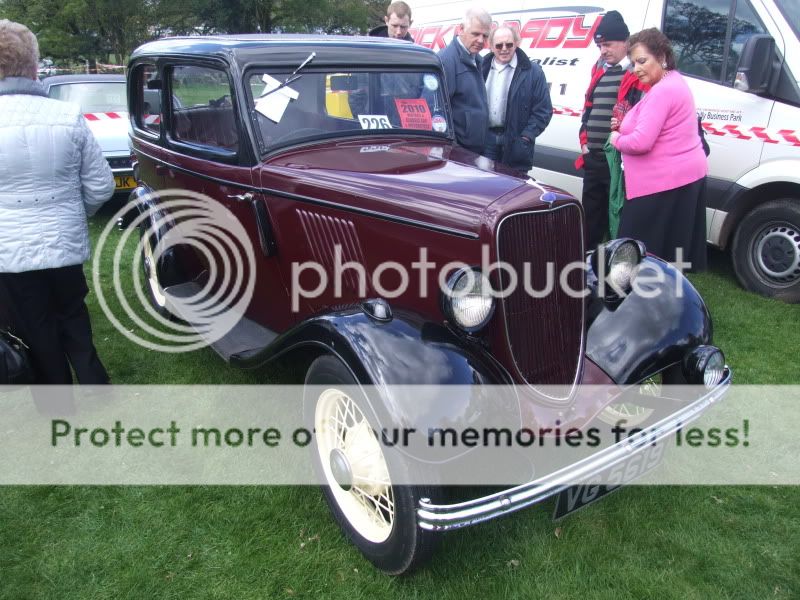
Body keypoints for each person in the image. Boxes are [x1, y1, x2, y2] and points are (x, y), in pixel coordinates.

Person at [0, 19, 115, 384]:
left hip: (10, 251)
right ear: (34, 65)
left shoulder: (66, 115)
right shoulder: (66, 115)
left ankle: (57, 402)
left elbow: (101, 185)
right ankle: (95, 386)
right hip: (62, 243)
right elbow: (101, 186)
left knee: (35, 326)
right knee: (72, 313)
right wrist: (71, 214)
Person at [610, 28, 707, 271]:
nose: (637, 69)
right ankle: (664, 298)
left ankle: (629, 297)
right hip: (680, 178)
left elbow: (642, 141)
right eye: (633, 63)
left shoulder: (663, 91)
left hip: (661, 182)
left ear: (662, 56)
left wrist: (616, 138)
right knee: (669, 253)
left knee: (632, 250)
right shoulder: (673, 82)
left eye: (642, 61)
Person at [575, 10, 648, 250]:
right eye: (599, 46)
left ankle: (619, 264)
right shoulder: (599, 70)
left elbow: (639, 116)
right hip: (593, 158)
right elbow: (588, 109)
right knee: (591, 218)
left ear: (625, 43)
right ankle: (589, 262)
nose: (603, 51)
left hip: (616, 160)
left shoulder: (635, 74)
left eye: (607, 45)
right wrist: (584, 142)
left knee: (617, 215)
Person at [480, 25, 552, 175]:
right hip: (486, 142)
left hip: (516, 143)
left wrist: (526, 137)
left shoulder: (533, 72)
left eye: (509, 44)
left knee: (513, 193)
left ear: (516, 43)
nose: (504, 49)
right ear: (491, 46)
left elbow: (543, 110)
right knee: (485, 190)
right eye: (499, 45)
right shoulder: (480, 68)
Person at [438, 6, 491, 154]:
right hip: (459, 152)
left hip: (473, 149)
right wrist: (453, 149)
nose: (481, 40)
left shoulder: (477, 60)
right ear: (461, 29)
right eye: (475, 34)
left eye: (485, 36)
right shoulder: (447, 60)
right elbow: (438, 111)